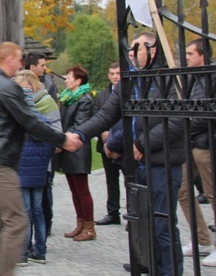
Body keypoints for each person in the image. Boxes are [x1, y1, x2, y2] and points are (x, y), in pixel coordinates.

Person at [74, 31, 185, 275]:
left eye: (136, 49)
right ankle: (149, 266)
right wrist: (79, 135)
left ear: (153, 51)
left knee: (162, 225)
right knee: (141, 224)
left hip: (162, 163)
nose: (130, 55)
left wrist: (142, 143)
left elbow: (177, 121)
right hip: (136, 166)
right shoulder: (131, 81)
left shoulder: (171, 78)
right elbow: (108, 115)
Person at [0, 42, 81, 275]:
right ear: (9, 59)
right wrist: (62, 139)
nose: (21, 64)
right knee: (16, 223)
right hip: (1, 163)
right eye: (19, 59)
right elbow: (30, 122)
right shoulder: (6, 87)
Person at [177, 38, 216, 264]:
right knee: (182, 190)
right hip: (188, 142)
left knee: (212, 193)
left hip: (205, 143)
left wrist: (186, 124)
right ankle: (201, 239)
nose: (188, 57)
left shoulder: (211, 76)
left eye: (191, 53)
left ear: (203, 55)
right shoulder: (188, 77)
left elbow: (206, 112)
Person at [13, 71, 56, 266]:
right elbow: (51, 145)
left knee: (25, 212)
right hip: (39, 174)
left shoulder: (17, 125)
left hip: (22, 174)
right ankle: (40, 251)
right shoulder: (44, 123)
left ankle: (22, 254)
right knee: (38, 211)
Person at [56, 66, 96, 242]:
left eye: (69, 77)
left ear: (78, 81)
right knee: (74, 189)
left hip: (77, 148)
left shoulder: (84, 100)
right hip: (67, 146)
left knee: (82, 189)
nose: (66, 79)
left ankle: (89, 227)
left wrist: (63, 139)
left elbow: (79, 124)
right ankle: (80, 223)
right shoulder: (68, 98)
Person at [95, 62, 123, 226]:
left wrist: (113, 138)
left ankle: (133, 213)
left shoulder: (128, 93)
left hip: (124, 142)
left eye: (118, 73)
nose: (115, 76)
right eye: (112, 73)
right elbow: (98, 115)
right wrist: (102, 133)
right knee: (111, 181)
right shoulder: (102, 95)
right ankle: (113, 213)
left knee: (130, 180)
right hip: (105, 143)